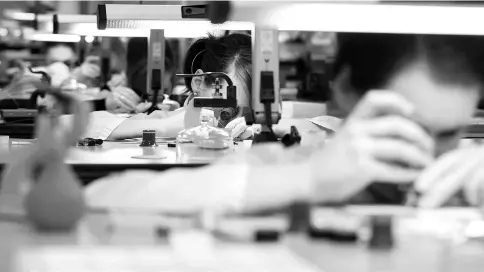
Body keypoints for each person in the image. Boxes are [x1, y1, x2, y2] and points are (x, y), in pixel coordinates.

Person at [83, 32, 484, 214]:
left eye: (448, 133)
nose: (427, 154)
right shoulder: (288, 167)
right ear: (344, 89)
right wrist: (309, 180)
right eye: (404, 128)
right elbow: (97, 202)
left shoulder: (471, 177)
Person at [72, 33, 254, 140]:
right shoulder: (172, 120)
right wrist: (163, 126)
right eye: (227, 110)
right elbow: (73, 125)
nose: (233, 123)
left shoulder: (259, 128)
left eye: (247, 114)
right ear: (198, 83)